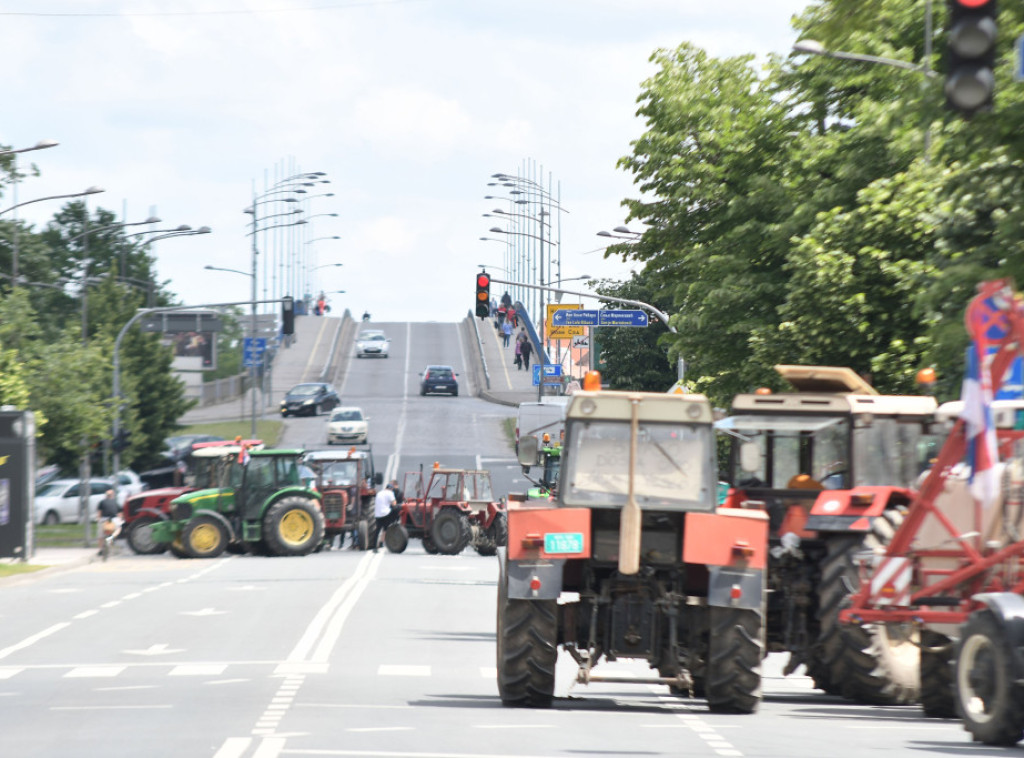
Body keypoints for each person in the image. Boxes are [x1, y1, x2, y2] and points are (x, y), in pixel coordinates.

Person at [372, 480, 399, 551]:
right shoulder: (390, 493)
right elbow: (394, 504)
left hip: (377, 515)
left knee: (378, 530)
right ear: (391, 489)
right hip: (386, 514)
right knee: (397, 508)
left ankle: (375, 546)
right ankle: (395, 521)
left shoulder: (379, 493)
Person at [96, 489, 120, 554]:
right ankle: (112, 539)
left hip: (104, 519)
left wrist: (98, 519)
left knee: (100, 535)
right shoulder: (115, 502)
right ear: (112, 495)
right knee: (118, 529)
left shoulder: (102, 502)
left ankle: (100, 549)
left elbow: (99, 513)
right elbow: (119, 513)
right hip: (114, 519)